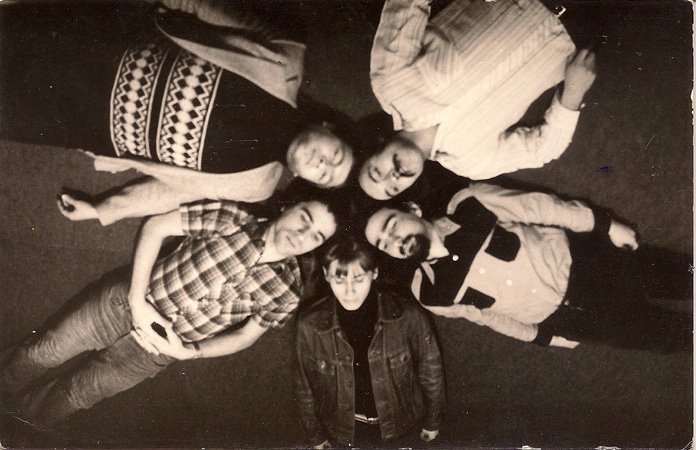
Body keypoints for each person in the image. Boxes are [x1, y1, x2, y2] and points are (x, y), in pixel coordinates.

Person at [0, 0, 355, 225]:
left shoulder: (256, 187)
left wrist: (102, 209)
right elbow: (205, 7)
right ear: (328, 127)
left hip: (83, 127)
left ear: (306, 179)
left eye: (324, 175)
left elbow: (171, 192)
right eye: (335, 155)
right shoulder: (286, 60)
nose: (323, 163)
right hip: (97, 49)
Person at [1, 192, 341, 426]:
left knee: (78, 394)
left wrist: (190, 352)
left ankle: (19, 428)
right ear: (289, 206)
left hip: (155, 352)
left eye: (316, 236)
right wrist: (137, 300)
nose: (303, 234)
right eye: (304, 218)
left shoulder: (288, 292)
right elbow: (156, 226)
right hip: (123, 304)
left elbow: (245, 337)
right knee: (45, 350)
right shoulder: (234, 218)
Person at [363, 183, 692, 352]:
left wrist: (604, 225)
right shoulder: (428, 293)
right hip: (567, 320)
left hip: (585, 265)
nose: (393, 240)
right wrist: (543, 337)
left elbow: (541, 207)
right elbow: (487, 318)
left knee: (675, 276)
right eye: (383, 244)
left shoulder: (466, 204)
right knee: (662, 336)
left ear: (412, 209)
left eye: (392, 225)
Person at [359, 0, 597, 200]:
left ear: (375, 145)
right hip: (581, 27)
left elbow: (405, 4)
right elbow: (541, 150)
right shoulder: (472, 163)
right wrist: (574, 92)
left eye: (376, 172)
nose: (393, 177)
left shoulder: (390, 83)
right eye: (393, 189)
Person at [294, 237, 444, 448]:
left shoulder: (408, 315)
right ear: (326, 275)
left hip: (403, 426)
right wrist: (315, 435)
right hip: (344, 431)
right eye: (339, 280)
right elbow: (303, 386)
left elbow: (431, 372)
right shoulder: (308, 324)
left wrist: (433, 421)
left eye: (358, 279)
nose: (349, 291)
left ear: (374, 273)